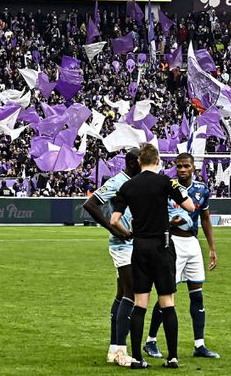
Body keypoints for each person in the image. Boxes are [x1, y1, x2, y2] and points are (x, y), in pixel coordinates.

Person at [110, 144, 195, 369]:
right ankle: (173, 357)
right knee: (167, 302)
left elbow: (113, 219)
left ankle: (137, 358)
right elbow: (190, 206)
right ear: (158, 161)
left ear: (140, 162)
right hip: (163, 245)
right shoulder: (166, 182)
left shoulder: (128, 186)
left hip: (140, 246)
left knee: (140, 303)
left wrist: (128, 233)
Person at [144, 152, 220, 360]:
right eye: (179, 166)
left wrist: (212, 248)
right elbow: (156, 215)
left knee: (197, 293)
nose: (182, 170)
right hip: (172, 242)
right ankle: (150, 341)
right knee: (167, 294)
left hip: (193, 244)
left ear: (193, 167)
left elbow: (205, 218)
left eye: (186, 166)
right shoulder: (168, 186)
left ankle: (199, 344)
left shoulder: (202, 189)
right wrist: (169, 224)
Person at [81, 148, 142, 366]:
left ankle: (113, 348)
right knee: (130, 294)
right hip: (122, 244)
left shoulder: (134, 183)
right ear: (134, 163)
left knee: (121, 294)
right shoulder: (118, 182)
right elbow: (89, 204)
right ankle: (122, 352)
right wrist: (112, 229)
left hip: (131, 243)